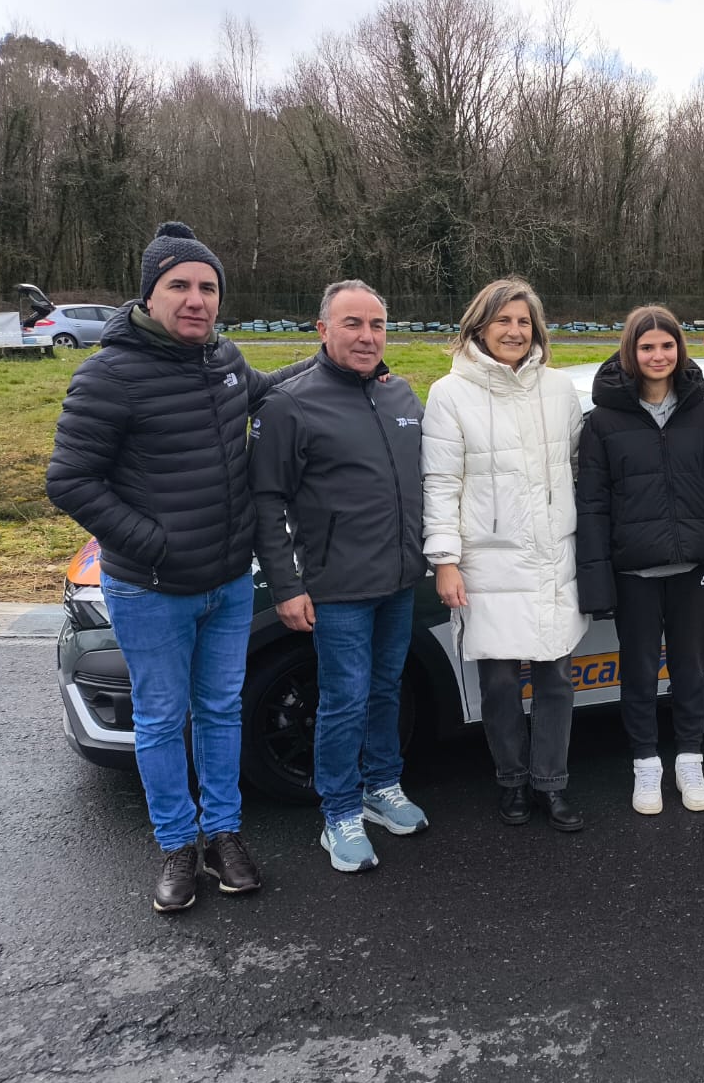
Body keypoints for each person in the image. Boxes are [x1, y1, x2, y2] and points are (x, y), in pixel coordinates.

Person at [45, 221, 315, 913]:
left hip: (227, 583)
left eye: (207, 287)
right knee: (163, 717)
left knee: (221, 711)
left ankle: (223, 833)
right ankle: (177, 845)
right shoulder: (109, 372)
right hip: (151, 586)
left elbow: (262, 392)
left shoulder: (221, 358)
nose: (196, 299)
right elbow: (71, 480)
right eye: (180, 286)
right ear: (150, 293)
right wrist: (154, 541)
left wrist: (332, 359)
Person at [248, 280, 429, 872]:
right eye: (352, 323)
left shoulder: (401, 395)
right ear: (322, 329)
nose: (367, 336)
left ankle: (382, 786)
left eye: (377, 325)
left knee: (385, 689)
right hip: (338, 587)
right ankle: (339, 813)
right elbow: (265, 502)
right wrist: (287, 585)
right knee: (344, 701)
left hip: (400, 580)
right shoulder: (290, 404)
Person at [423, 278, 588, 831]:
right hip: (486, 563)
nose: (515, 331)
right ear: (479, 326)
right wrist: (444, 559)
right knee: (497, 684)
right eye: (503, 321)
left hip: (551, 561)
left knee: (556, 681)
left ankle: (552, 783)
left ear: (536, 330)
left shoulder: (559, 390)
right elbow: (440, 482)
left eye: (523, 322)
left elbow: (577, 468)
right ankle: (512, 781)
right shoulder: (451, 393)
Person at [576, 306, 704, 814]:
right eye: (647, 347)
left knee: (692, 671)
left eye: (667, 345)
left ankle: (690, 762)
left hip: (693, 571)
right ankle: (646, 766)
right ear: (630, 353)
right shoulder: (603, 422)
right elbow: (592, 507)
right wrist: (597, 585)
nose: (658, 355)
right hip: (634, 574)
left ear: (680, 350)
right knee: (637, 673)